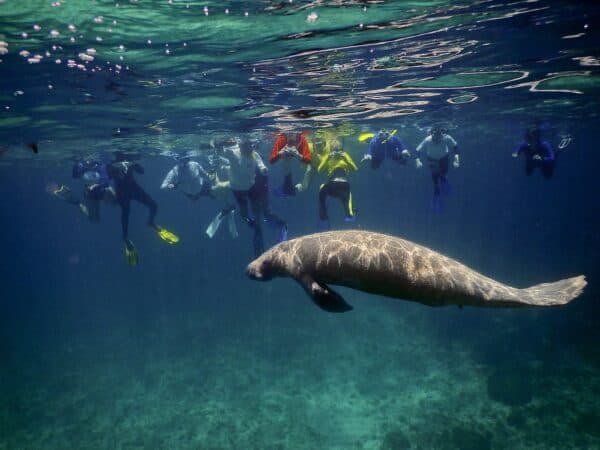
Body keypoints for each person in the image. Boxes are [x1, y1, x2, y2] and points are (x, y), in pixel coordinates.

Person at [218, 137, 287, 257]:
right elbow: (220, 151)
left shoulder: (254, 154)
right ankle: (250, 222)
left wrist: (263, 169)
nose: (251, 148)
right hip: (238, 189)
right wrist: (219, 143)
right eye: (248, 146)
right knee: (244, 212)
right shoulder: (233, 153)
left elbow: (260, 164)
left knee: (257, 210)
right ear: (241, 147)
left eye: (251, 146)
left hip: (251, 187)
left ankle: (258, 226)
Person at [107, 155, 179, 266]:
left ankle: (151, 223)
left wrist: (133, 163)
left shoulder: (129, 157)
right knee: (126, 213)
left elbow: (141, 171)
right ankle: (125, 237)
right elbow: (108, 175)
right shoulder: (112, 161)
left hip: (133, 187)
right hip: (122, 191)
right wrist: (117, 167)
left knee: (154, 206)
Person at [160, 156, 237, 238]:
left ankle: (228, 206)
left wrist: (211, 175)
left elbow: (203, 173)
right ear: (178, 160)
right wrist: (169, 186)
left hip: (203, 186)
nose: (185, 162)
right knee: (213, 192)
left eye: (186, 159)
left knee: (218, 191)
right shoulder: (174, 172)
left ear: (188, 159)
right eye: (182, 160)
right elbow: (163, 187)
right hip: (191, 194)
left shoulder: (194, 164)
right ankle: (227, 205)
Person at [49, 158, 116, 223]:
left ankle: (114, 199)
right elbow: (75, 175)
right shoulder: (82, 166)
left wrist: (95, 185)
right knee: (94, 219)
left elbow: (105, 181)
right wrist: (76, 164)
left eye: (89, 160)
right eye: (86, 160)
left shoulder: (100, 166)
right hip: (90, 193)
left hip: (101, 190)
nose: (87, 162)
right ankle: (75, 201)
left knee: (109, 191)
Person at [415, 126, 459, 211]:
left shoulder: (447, 138)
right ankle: (437, 197)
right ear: (432, 135)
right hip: (432, 160)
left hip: (443, 159)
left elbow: (455, 147)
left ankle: (443, 187)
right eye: (435, 136)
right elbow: (417, 150)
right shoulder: (428, 139)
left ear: (442, 134)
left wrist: (456, 159)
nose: (437, 139)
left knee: (443, 176)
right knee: (435, 180)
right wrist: (418, 161)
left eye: (439, 136)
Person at [316, 138, 358, 227]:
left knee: (348, 207)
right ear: (331, 149)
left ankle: (350, 213)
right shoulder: (328, 156)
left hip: (343, 186)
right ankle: (323, 213)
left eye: (338, 150)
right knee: (322, 187)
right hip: (332, 185)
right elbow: (319, 170)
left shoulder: (345, 155)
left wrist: (346, 159)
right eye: (334, 150)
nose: (336, 152)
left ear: (341, 149)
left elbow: (354, 168)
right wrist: (327, 158)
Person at [268, 131, 312, 196]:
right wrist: (280, 154)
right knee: (286, 162)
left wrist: (298, 155)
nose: (290, 135)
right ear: (286, 136)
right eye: (288, 135)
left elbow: (308, 161)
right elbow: (271, 161)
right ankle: (289, 187)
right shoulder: (281, 139)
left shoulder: (302, 139)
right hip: (286, 155)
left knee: (307, 168)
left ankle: (299, 187)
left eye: (294, 142)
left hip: (299, 153)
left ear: (297, 135)